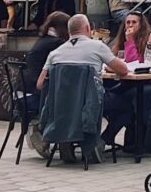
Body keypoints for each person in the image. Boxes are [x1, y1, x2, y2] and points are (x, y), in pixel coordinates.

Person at [36, 14, 129, 157]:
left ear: (69, 32)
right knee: (127, 106)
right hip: (90, 104)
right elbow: (123, 70)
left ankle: (65, 140)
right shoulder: (98, 47)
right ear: (87, 28)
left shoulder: (55, 53)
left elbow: (41, 84)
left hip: (62, 105)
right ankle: (100, 141)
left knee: (73, 103)